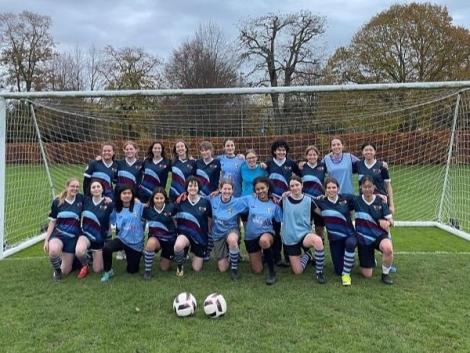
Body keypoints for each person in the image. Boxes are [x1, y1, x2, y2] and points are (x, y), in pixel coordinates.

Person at [311, 177, 358, 286]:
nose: (331, 190)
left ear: (338, 188)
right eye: (328, 188)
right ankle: (348, 262)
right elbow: (306, 199)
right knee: (338, 270)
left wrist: (379, 195)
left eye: (334, 187)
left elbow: (363, 198)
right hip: (335, 240)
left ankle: (346, 276)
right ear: (325, 189)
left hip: (349, 235)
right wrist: (288, 194)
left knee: (350, 243)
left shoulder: (346, 198)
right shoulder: (321, 201)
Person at [280, 175, 326, 284]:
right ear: (289, 187)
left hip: (304, 235)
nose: (295, 188)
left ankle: (319, 272)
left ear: (302, 185)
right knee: (298, 272)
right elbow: (272, 209)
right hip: (290, 238)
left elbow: (322, 213)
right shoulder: (284, 199)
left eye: (297, 185)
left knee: (318, 241)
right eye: (292, 186)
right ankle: (308, 256)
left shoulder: (309, 200)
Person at [264, 139, 299, 267]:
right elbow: (264, 182)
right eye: (279, 149)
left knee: (288, 228)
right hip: (272, 201)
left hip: (287, 201)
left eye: (283, 150)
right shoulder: (268, 164)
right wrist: (270, 195)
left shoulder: (291, 163)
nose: (281, 152)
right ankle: (276, 257)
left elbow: (299, 178)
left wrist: (291, 191)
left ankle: (290, 256)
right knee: (275, 228)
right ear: (274, 151)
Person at [353, 176, 394, 284]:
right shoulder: (355, 200)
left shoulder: (380, 201)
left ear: (374, 187)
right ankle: (370, 260)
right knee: (367, 275)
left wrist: (387, 222)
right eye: (365, 187)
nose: (367, 189)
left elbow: (391, 221)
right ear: (361, 187)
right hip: (364, 239)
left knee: (388, 248)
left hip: (379, 235)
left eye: (370, 186)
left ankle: (385, 274)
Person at [242, 176, 282, 285]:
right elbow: (233, 202)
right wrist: (219, 194)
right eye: (257, 189)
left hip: (267, 234)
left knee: (264, 241)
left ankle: (272, 272)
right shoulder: (250, 199)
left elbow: (278, 224)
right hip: (251, 237)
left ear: (268, 187)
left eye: (262, 188)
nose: (260, 191)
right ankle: (264, 256)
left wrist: (276, 245)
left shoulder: (274, 204)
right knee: (257, 270)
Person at [101, 185, 145, 282]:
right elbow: (111, 222)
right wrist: (111, 235)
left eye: (129, 193)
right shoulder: (115, 208)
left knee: (132, 271)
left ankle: (140, 254)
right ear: (119, 195)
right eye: (124, 193)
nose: (127, 195)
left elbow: (150, 207)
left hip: (136, 243)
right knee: (107, 248)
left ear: (132, 195)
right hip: (122, 239)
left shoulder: (139, 206)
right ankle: (108, 271)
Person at [43, 178, 83, 281]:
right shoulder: (57, 201)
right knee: (53, 251)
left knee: (66, 270)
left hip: (72, 238)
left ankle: (71, 261)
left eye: (77, 187)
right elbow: (52, 221)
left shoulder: (81, 199)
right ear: (67, 187)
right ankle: (57, 271)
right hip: (58, 235)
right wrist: (47, 240)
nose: (75, 188)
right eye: (72, 186)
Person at [173, 177, 212, 276]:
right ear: (186, 188)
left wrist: (209, 236)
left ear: (199, 187)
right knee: (178, 245)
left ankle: (196, 252)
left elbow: (210, 219)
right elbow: (173, 216)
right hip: (185, 234)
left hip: (200, 237)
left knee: (196, 269)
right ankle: (180, 266)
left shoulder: (205, 202)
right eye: (190, 186)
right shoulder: (181, 201)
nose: (193, 188)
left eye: (195, 185)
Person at [75, 180, 113, 278]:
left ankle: (91, 255)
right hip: (85, 234)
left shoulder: (109, 203)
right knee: (79, 251)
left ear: (102, 189)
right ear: (90, 190)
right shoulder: (85, 200)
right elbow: (70, 195)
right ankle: (85, 265)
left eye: (98, 186)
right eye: (93, 187)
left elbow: (113, 220)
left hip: (99, 238)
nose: (96, 189)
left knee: (97, 270)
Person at [210, 179, 247, 280]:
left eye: (229, 189)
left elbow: (252, 199)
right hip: (217, 234)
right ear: (220, 189)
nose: (227, 191)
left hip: (231, 230)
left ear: (233, 190)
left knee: (232, 240)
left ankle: (234, 269)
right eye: (224, 189)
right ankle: (231, 255)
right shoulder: (213, 199)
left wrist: (271, 196)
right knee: (222, 268)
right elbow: (198, 199)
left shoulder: (237, 202)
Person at [142, 187, 177, 280]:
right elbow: (141, 224)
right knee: (150, 244)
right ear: (153, 199)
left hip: (169, 241)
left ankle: (170, 257)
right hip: (156, 239)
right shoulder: (147, 209)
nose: (159, 200)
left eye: (161, 198)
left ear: (165, 198)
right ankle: (147, 271)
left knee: (164, 268)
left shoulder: (171, 207)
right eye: (156, 198)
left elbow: (177, 223)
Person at [356, 142, 395, 214]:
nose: (368, 152)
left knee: (383, 224)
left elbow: (388, 186)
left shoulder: (382, 166)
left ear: (375, 152)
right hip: (364, 201)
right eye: (366, 150)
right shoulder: (358, 165)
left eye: (371, 150)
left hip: (380, 201)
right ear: (362, 152)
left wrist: (392, 205)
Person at [300, 145, 327, 238]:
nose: (312, 156)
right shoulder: (302, 167)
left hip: (319, 201)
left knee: (319, 228)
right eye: (310, 155)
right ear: (306, 156)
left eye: (314, 154)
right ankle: (306, 249)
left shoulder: (323, 166)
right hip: (306, 201)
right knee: (306, 227)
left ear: (318, 155)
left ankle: (320, 249)